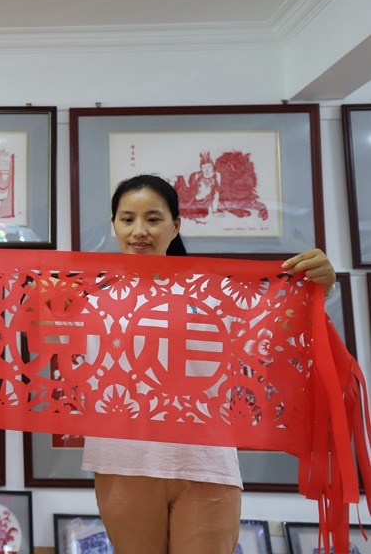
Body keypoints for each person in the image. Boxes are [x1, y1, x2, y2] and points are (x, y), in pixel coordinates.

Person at [80, 174, 334, 554]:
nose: (139, 231)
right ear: (113, 224)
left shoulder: (216, 292)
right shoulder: (87, 295)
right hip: (122, 463)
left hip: (206, 464)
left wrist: (322, 288)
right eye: (127, 218)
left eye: (153, 218)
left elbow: (280, 330)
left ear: (175, 225)